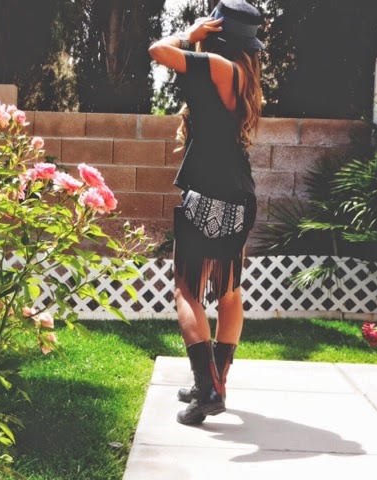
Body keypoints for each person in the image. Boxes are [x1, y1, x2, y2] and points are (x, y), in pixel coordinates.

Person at [148, 0, 263, 425]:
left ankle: (208, 388)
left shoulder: (217, 65)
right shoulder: (246, 75)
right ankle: (213, 383)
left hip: (209, 192)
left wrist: (189, 34)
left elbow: (157, 50)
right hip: (240, 194)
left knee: (187, 291)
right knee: (229, 292)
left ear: (217, 33)